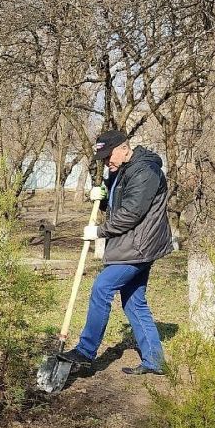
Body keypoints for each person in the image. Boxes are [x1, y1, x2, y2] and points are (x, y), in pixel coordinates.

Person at [57, 130, 174, 376]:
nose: (106, 161)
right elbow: (117, 204)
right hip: (131, 244)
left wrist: (99, 232)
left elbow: (131, 213)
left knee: (102, 288)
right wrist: (101, 196)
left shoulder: (145, 172)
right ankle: (155, 361)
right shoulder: (122, 170)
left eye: (109, 155)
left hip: (140, 247)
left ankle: (85, 352)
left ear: (123, 148)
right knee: (133, 302)